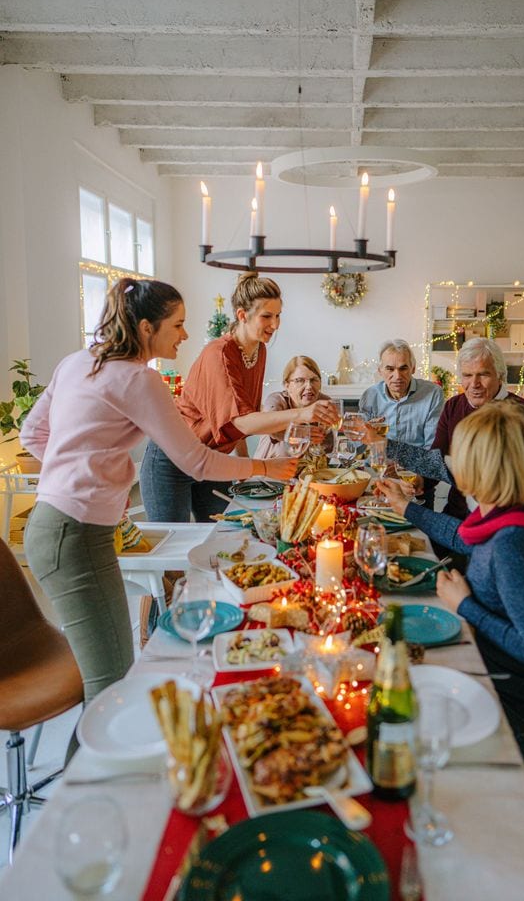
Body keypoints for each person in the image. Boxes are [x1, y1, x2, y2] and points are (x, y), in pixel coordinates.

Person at [20, 278, 296, 756]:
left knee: (109, 675)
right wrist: (268, 467)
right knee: (110, 687)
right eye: (178, 325)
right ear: (147, 327)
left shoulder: (76, 362)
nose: (185, 336)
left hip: (53, 526)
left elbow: (32, 434)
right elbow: (198, 464)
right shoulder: (137, 378)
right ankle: (87, 805)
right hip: (75, 534)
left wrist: (78, 475)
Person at [378, 402, 524, 761]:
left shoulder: (515, 546)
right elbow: (463, 536)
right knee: (401, 673)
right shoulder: (513, 509)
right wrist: (408, 509)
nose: (453, 463)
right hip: (516, 678)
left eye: (460, 456)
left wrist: (465, 606)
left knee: (398, 725)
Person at [140, 273, 337, 522]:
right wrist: (302, 413)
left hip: (212, 459)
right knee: (173, 544)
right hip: (171, 458)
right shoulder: (218, 354)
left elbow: (240, 418)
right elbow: (240, 421)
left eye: (278, 316)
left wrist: (242, 461)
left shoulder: (258, 350)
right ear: (242, 315)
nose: (275, 325)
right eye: (267, 316)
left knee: (220, 532)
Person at [431, 337, 524, 520]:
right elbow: (437, 459)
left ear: (500, 375)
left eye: (483, 374)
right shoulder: (453, 406)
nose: (474, 384)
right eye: (467, 375)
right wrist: (418, 481)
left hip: (499, 521)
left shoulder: (523, 413)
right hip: (456, 517)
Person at [359, 339, 443, 448]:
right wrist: (364, 432)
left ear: (413, 368)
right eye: (390, 369)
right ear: (380, 371)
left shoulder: (432, 394)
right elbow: (358, 448)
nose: (397, 376)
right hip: (377, 463)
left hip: (415, 464)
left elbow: (432, 448)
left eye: (403, 368)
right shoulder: (370, 395)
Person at [254, 355, 334, 460]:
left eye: (314, 380)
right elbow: (270, 428)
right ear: (286, 385)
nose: (309, 386)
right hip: (270, 468)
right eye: (300, 380)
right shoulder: (276, 400)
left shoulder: (325, 402)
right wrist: (304, 433)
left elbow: (328, 445)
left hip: (311, 472)